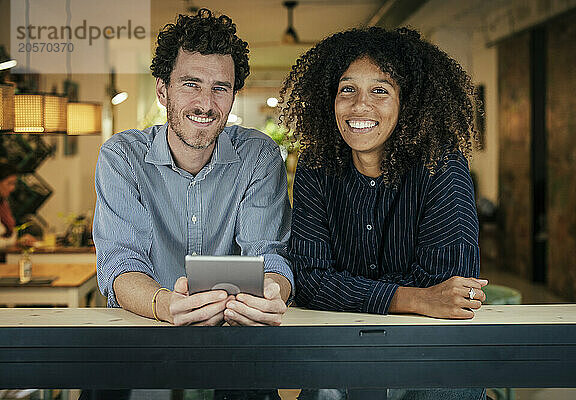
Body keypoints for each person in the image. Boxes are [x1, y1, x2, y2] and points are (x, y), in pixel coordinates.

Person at [91, 8, 292, 400]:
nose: (205, 102)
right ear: (163, 91)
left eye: (220, 87)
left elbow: (270, 256)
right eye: (191, 84)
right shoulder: (122, 157)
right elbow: (120, 264)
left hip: (236, 346)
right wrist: (165, 304)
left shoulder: (259, 156)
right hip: (143, 335)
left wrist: (273, 294)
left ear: (233, 95)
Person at [281, 27, 488, 399]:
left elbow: (451, 283)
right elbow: (309, 279)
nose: (360, 106)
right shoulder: (317, 164)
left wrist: (348, 287)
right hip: (341, 349)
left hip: (432, 354)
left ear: (407, 103)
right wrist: (417, 297)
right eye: (347, 89)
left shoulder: (440, 165)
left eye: (380, 90)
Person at [0, 163, 37, 253]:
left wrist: (19, 241)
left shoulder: (3, 204)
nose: (12, 188)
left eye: (14, 184)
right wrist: (15, 242)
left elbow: (10, 233)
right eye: (9, 183)